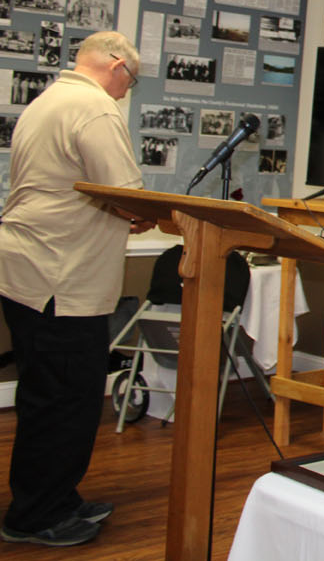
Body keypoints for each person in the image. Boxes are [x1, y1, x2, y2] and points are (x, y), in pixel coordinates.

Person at [1, 32, 154, 547]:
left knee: (46, 394)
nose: (124, 92)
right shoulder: (95, 108)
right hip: (60, 280)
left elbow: (78, 186)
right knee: (67, 400)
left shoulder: (48, 100)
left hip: (29, 272)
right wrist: (141, 214)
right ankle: (36, 516)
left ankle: (55, 498)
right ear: (116, 66)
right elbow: (124, 193)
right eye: (129, 82)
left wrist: (123, 212)